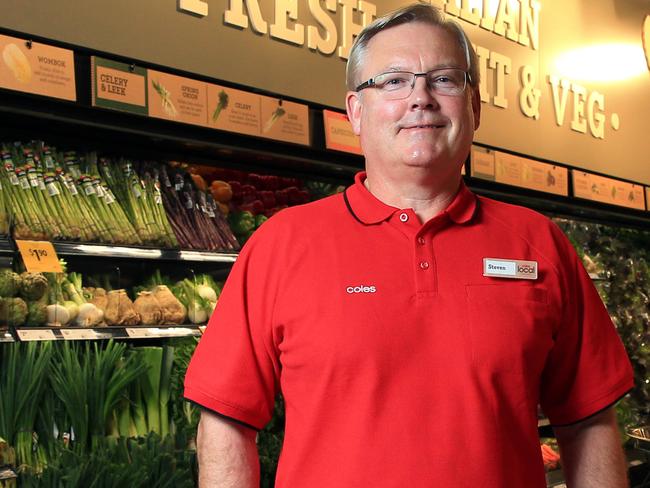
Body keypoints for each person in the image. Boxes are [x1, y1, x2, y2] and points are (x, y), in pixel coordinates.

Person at [184, 4, 634, 487]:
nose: (420, 98)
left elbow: (588, 422)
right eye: (393, 81)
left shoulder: (540, 245)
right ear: (355, 111)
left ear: (474, 107)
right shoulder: (282, 244)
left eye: (444, 79)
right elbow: (227, 420)